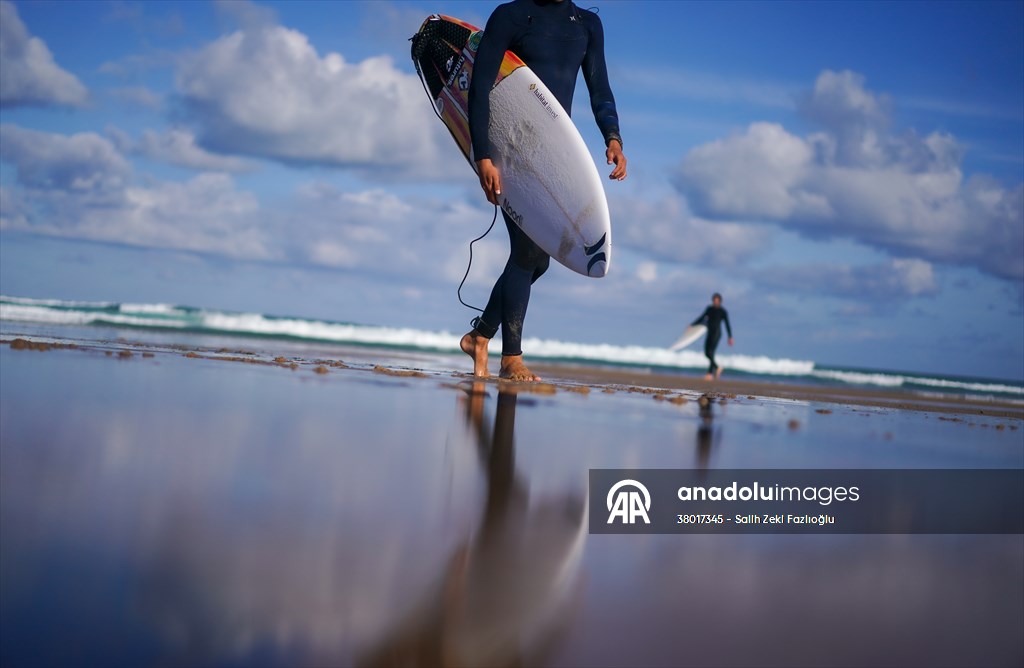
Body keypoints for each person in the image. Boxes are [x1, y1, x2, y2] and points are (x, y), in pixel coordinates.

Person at [459, 0, 627, 381]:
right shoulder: (512, 16)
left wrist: (613, 138)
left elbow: (600, 89)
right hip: (510, 148)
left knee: (539, 260)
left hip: (551, 156)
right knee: (527, 251)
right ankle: (511, 358)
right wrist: (483, 155)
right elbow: (480, 86)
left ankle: (479, 337)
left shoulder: (586, 25)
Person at [691, 293, 733, 380]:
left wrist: (730, 337)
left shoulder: (723, 311)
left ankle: (710, 374)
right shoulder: (709, 309)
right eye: (714, 300)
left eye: (717, 301)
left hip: (717, 334)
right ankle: (717, 368)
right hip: (709, 333)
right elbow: (702, 317)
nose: (715, 302)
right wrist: (692, 325)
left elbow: (727, 324)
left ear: (720, 301)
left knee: (711, 353)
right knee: (706, 353)